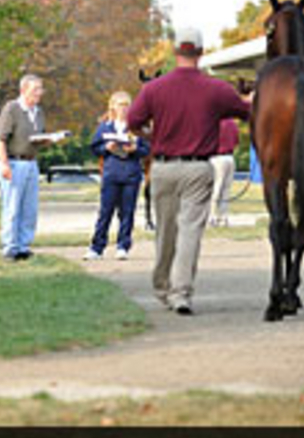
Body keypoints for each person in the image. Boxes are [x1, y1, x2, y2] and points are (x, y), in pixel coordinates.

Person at [127, 27, 251, 316]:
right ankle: (181, 293)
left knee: (166, 230)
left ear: (175, 52)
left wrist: (150, 136)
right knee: (190, 232)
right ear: (201, 52)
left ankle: (162, 286)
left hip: (163, 166)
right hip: (198, 166)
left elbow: (133, 120)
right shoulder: (216, 89)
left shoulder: (154, 89)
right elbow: (247, 111)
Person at [84, 91, 150, 261]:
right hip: (111, 174)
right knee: (105, 212)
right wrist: (107, 147)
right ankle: (97, 247)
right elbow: (94, 147)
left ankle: (123, 246)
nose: (123, 109)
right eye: (120, 105)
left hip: (131, 174)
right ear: (112, 106)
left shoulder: (137, 128)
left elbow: (147, 149)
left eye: (126, 105)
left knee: (127, 212)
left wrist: (135, 149)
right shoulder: (105, 127)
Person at [0, 74, 53, 261]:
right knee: (12, 206)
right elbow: (0, 138)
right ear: (23, 90)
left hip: (31, 162)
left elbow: (36, 138)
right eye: (35, 89)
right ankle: (9, 247)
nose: (39, 93)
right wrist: (4, 164)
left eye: (40, 89)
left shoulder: (38, 112)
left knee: (29, 207)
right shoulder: (12, 109)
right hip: (13, 161)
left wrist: (48, 140)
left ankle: (23, 246)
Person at [208, 117, 240, 227]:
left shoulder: (214, 123)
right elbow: (236, 142)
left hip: (217, 157)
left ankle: (212, 217)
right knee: (226, 189)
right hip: (230, 158)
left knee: (216, 188)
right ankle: (224, 217)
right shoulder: (232, 123)